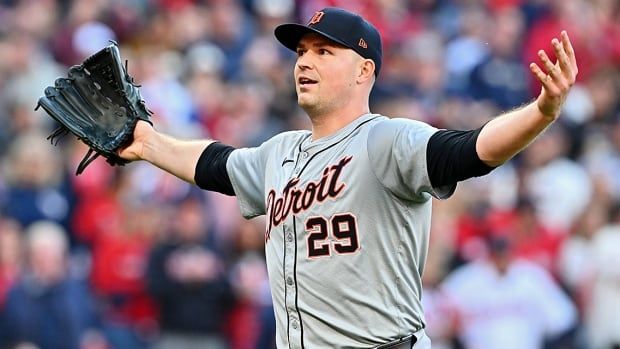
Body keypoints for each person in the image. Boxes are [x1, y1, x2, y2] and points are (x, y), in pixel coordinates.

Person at [118, 7, 578, 348]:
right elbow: (215, 163)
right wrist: (148, 142)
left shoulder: (386, 140)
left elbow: (470, 150)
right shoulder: (279, 152)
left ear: (364, 70)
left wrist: (541, 112)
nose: (303, 62)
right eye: (301, 52)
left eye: (323, 51)